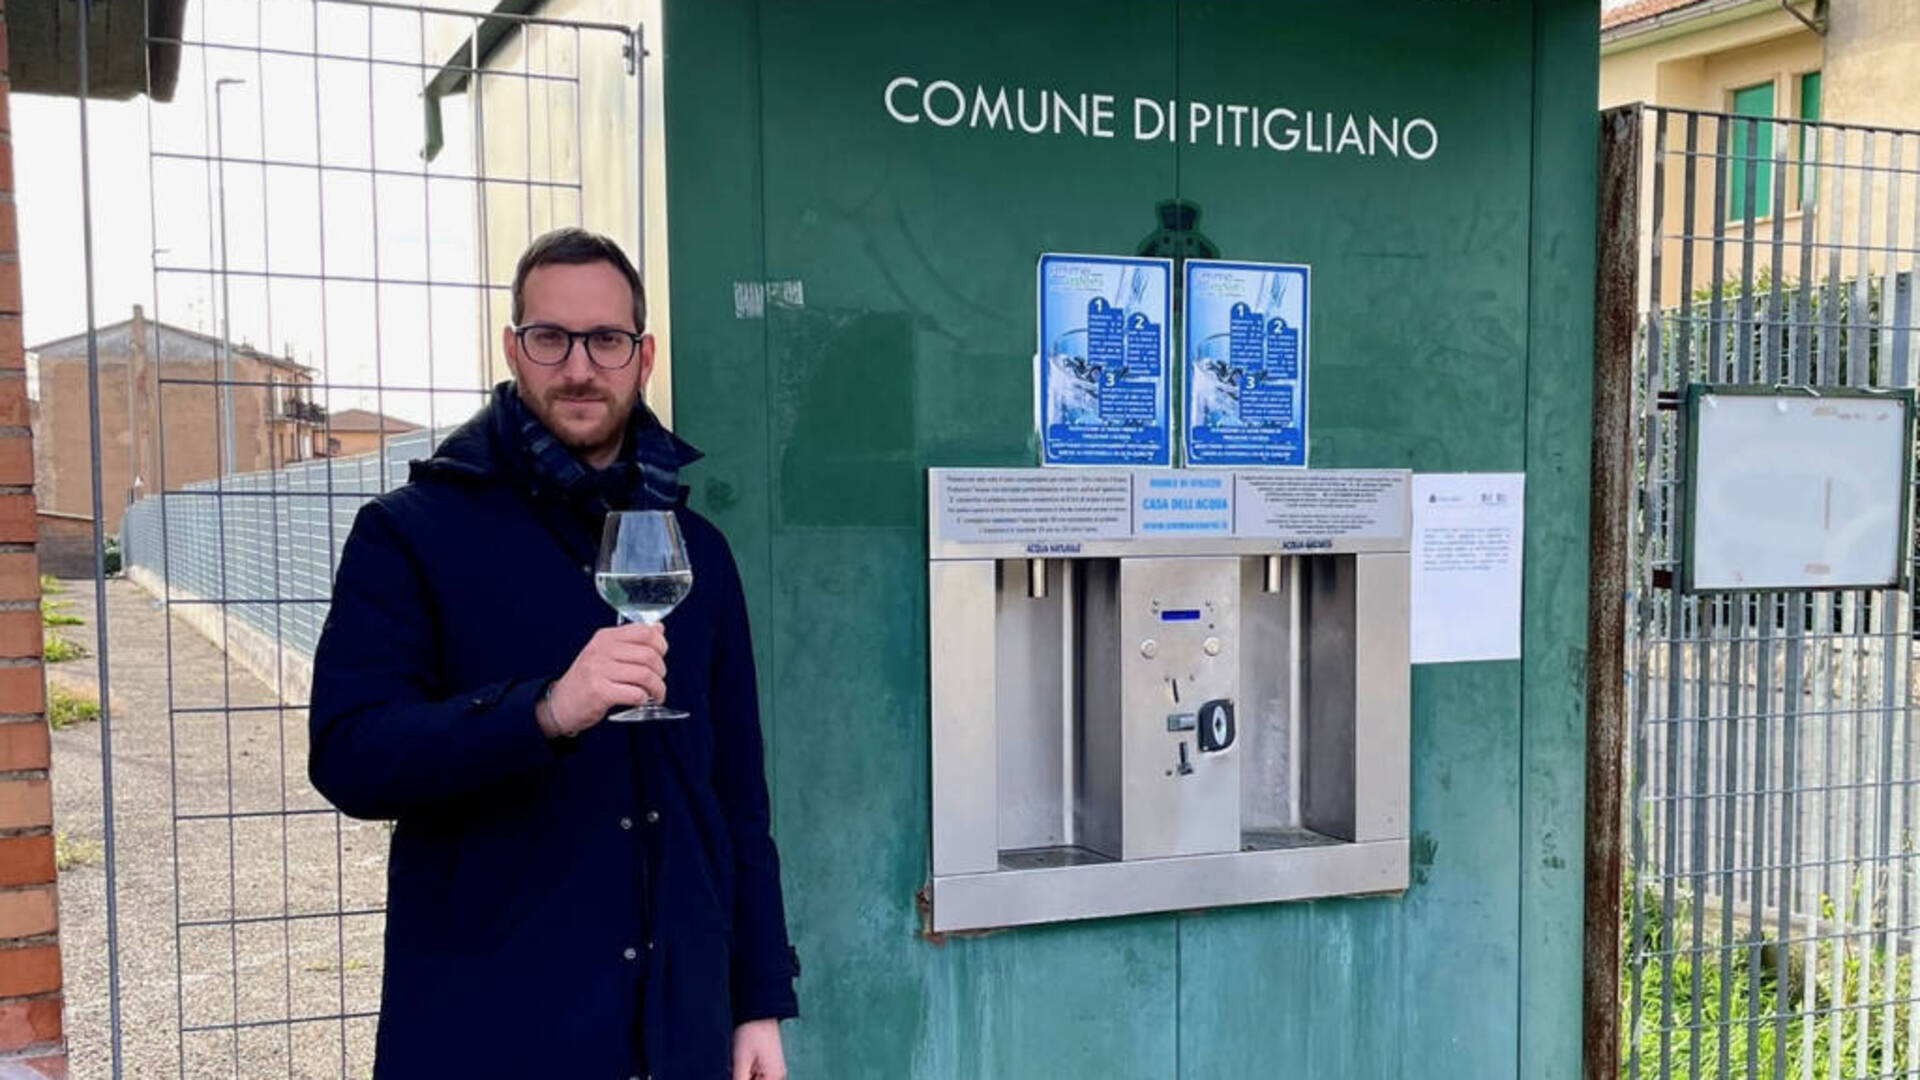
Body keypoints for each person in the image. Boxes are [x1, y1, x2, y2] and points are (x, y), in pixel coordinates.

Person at [309, 227, 798, 1080]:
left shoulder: (699, 552)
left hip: (678, 1026)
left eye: (606, 340)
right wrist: (543, 712)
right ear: (513, 348)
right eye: (551, 339)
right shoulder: (410, 534)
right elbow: (350, 756)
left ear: (642, 358)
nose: (579, 367)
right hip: (495, 1027)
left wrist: (756, 999)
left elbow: (737, 800)